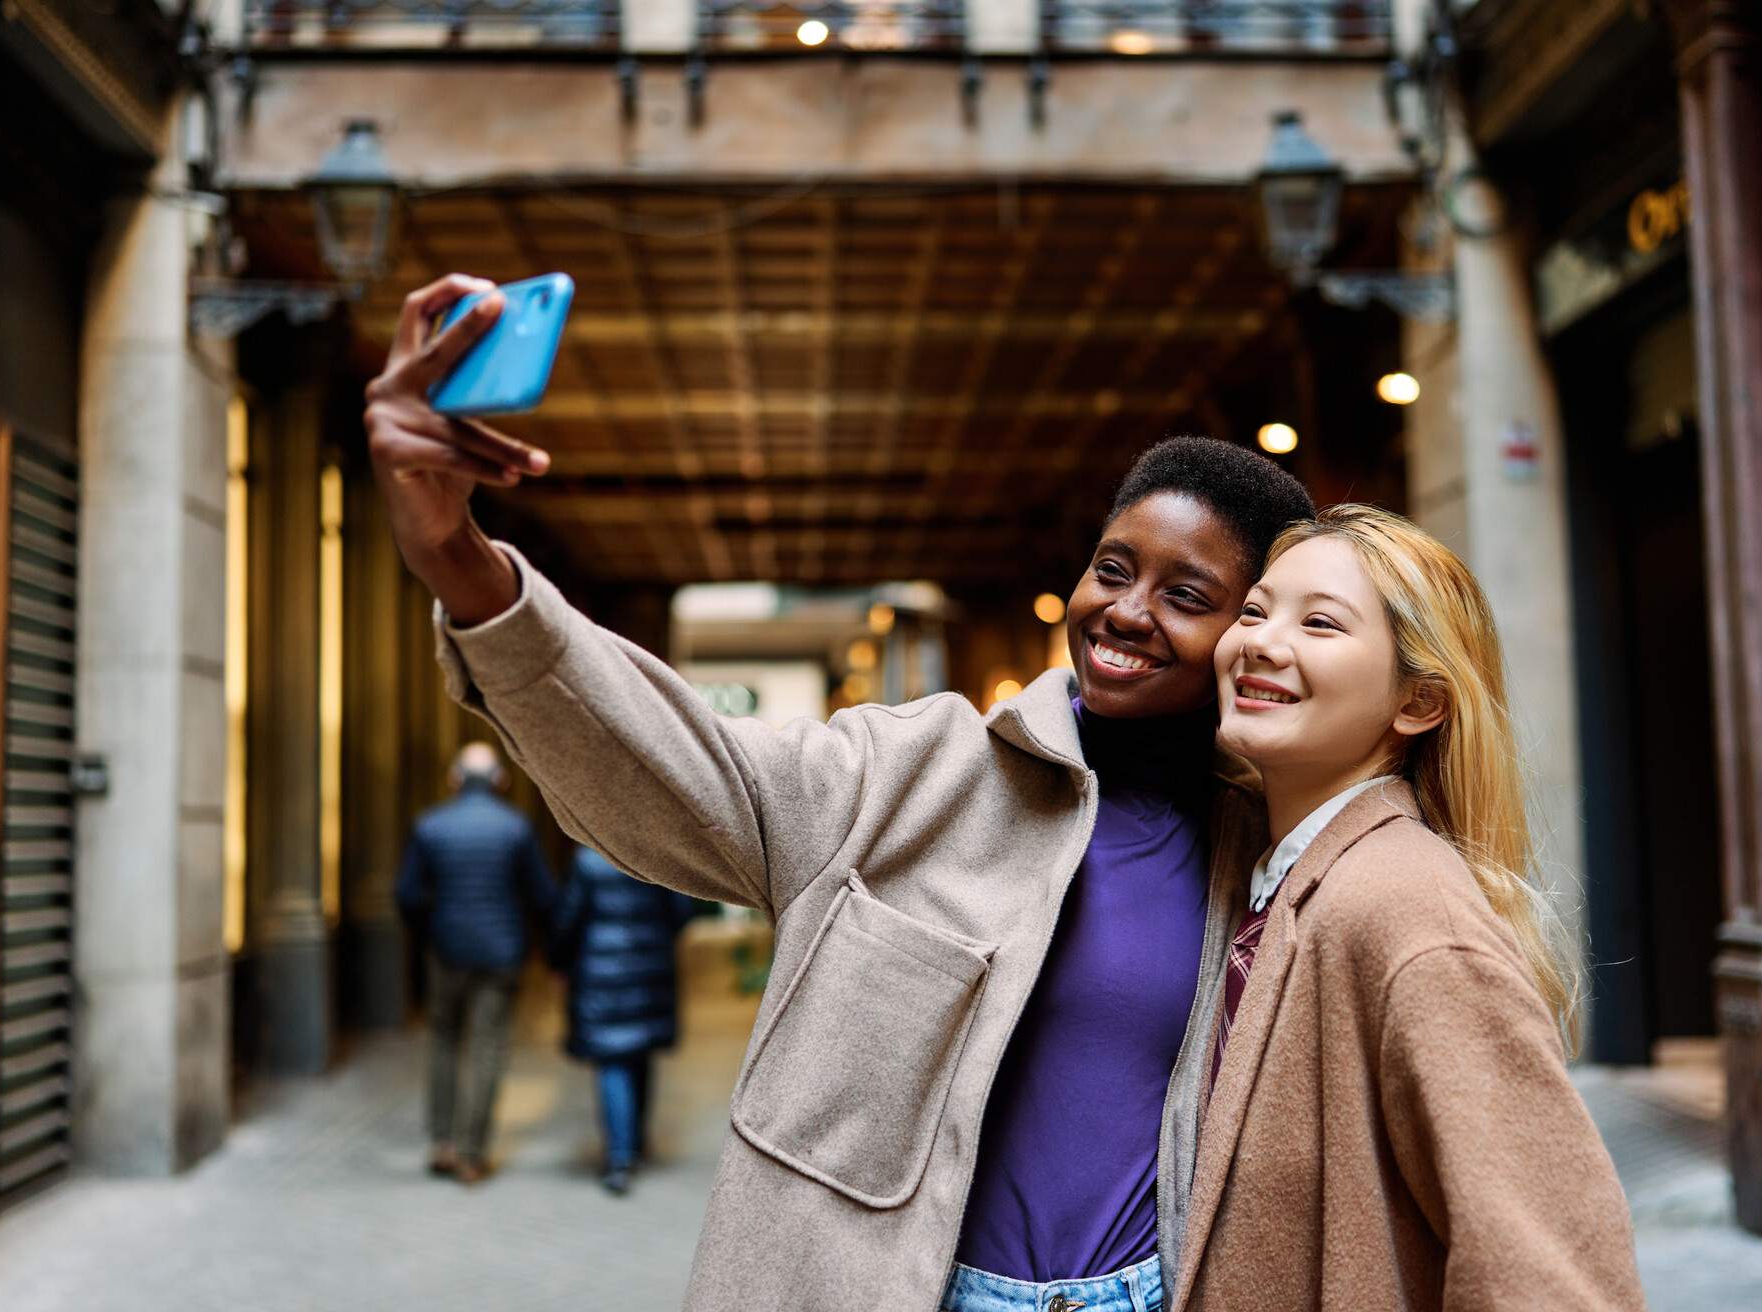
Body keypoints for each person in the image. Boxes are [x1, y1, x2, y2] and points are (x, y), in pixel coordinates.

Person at [363, 273, 1313, 1310]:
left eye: (1187, 595)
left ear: (1249, 633)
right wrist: (455, 554)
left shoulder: (1263, 845)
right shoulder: (911, 771)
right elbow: (674, 764)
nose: (1126, 612)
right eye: (1111, 567)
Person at [1177, 504, 1645, 1311]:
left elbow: (1553, 1279)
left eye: (1320, 623)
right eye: (1255, 609)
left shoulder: (1407, 913)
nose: (1260, 640)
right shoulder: (1274, 876)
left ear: (1419, 704)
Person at [395, 741, 556, 1185]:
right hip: (501, 955)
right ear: (501, 781)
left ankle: (442, 1142)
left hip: (446, 952)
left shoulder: (430, 826)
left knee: (444, 1040)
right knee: (488, 1047)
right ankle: (472, 1152)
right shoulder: (516, 828)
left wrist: (430, 932)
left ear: (455, 778)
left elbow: (407, 894)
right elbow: (543, 895)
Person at [549, 845, 698, 1195]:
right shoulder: (658, 852)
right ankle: (636, 1142)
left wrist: (558, 961)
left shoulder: (586, 860)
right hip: (649, 968)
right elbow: (682, 910)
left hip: (600, 973)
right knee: (639, 1050)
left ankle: (619, 1156)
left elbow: (567, 917)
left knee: (613, 1057)